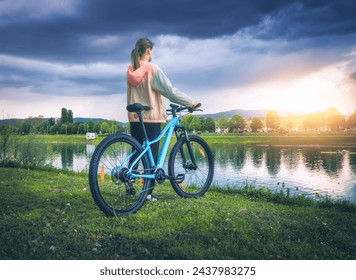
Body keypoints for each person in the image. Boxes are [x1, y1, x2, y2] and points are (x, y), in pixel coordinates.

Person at [127, 38, 200, 201]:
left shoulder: (131, 69)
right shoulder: (152, 69)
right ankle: (148, 194)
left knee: (137, 152)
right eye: (152, 50)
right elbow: (170, 92)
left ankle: (129, 182)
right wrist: (191, 103)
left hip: (134, 117)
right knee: (151, 154)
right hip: (151, 117)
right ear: (149, 51)